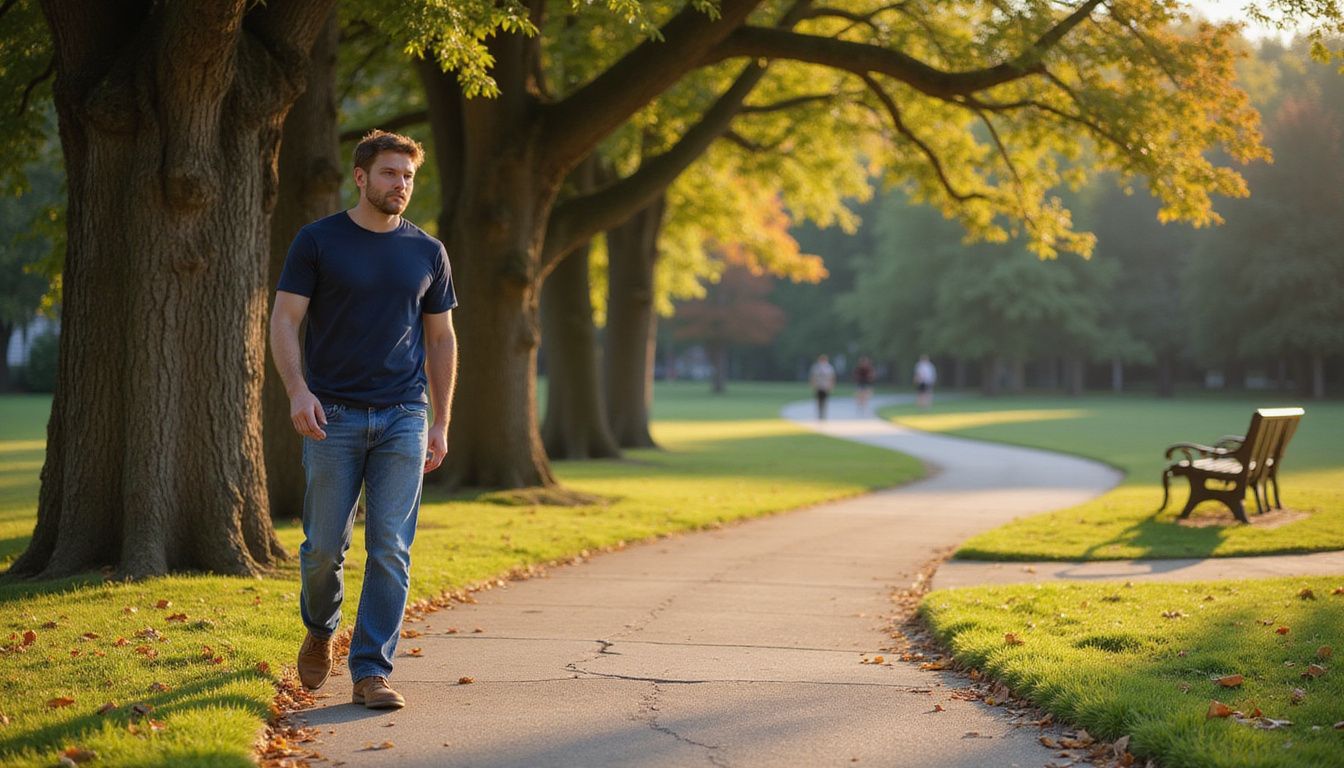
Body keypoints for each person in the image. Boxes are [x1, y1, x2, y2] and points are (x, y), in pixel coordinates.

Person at [270, 130, 458, 711]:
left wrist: (440, 421)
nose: (399, 184)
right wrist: (298, 391)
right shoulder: (318, 241)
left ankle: (371, 670)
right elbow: (283, 319)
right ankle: (321, 628)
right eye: (389, 173)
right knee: (324, 547)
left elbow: (442, 338)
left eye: (407, 176)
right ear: (360, 176)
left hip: (404, 413)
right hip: (333, 415)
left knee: (391, 549)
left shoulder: (428, 251)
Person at [809, 354, 836, 420]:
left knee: (824, 400)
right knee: (818, 400)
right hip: (819, 386)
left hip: (825, 386)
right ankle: (819, 413)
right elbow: (813, 377)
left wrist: (831, 385)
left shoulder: (829, 368)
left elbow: (832, 377)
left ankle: (823, 413)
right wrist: (813, 385)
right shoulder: (816, 368)